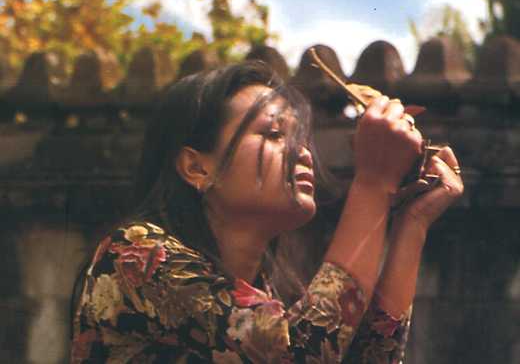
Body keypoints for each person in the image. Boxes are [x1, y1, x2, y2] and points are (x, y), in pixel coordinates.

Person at [70, 61, 463, 363]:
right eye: (274, 134)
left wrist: (414, 222)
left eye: (300, 138)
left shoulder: (260, 297)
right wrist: (373, 183)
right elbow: (301, 355)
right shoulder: (136, 256)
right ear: (196, 168)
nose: (302, 153)